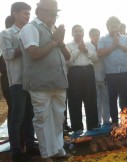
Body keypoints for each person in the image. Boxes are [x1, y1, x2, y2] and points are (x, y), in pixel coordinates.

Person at [19, 0, 70, 161]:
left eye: (56, 13)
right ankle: (47, 154)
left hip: (58, 83)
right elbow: (34, 53)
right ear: (39, 11)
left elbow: (68, 57)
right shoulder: (30, 28)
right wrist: (54, 41)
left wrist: (60, 42)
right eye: (51, 13)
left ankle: (57, 149)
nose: (54, 17)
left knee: (58, 118)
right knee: (42, 119)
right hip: (40, 84)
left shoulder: (52, 30)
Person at [0, 2, 38, 162]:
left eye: (29, 14)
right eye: (24, 13)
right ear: (14, 13)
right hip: (17, 81)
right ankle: (16, 150)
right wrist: (24, 45)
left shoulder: (31, 31)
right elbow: (8, 55)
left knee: (30, 115)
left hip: (31, 81)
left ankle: (30, 145)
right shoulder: (6, 33)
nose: (28, 16)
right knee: (17, 117)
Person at [97, 16, 127, 128]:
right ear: (107, 27)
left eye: (116, 26)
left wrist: (120, 45)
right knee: (112, 97)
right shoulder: (103, 39)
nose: (114, 28)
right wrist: (113, 46)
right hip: (111, 73)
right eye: (112, 26)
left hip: (124, 71)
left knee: (126, 97)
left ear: (119, 26)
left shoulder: (125, 38)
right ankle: (114, 121)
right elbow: (100, 53)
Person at [66, 25, 99, 133]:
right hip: (74, 73)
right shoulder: (68, 46)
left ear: (83, 33)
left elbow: (95, 58)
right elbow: (68, 61)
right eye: (76, 31)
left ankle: (93, 125)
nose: (78, 33)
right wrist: (78, 50)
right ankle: (77, 127)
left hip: (88, 71)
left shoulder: (89, 45)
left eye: (80, 31)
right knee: (75, 100)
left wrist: (85, 50)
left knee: (91, 99)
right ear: (72, 33)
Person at [86, 28, 111, 126]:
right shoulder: (87, 45)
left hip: (104, 75)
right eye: (93, 35)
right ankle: (97, 120)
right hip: (93, 76)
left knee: (106, 99)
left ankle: (106, 119)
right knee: (96, 100)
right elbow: (92, 57)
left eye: (97, 35)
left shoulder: (103, 44)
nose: (95, 37)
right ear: (90, 36)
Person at [0, 16, 14, 133]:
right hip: (8, 80)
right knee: (14, 110)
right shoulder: (5, 41)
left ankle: (21, 139)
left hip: (10, 79)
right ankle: (17, 141)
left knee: (16, 110)